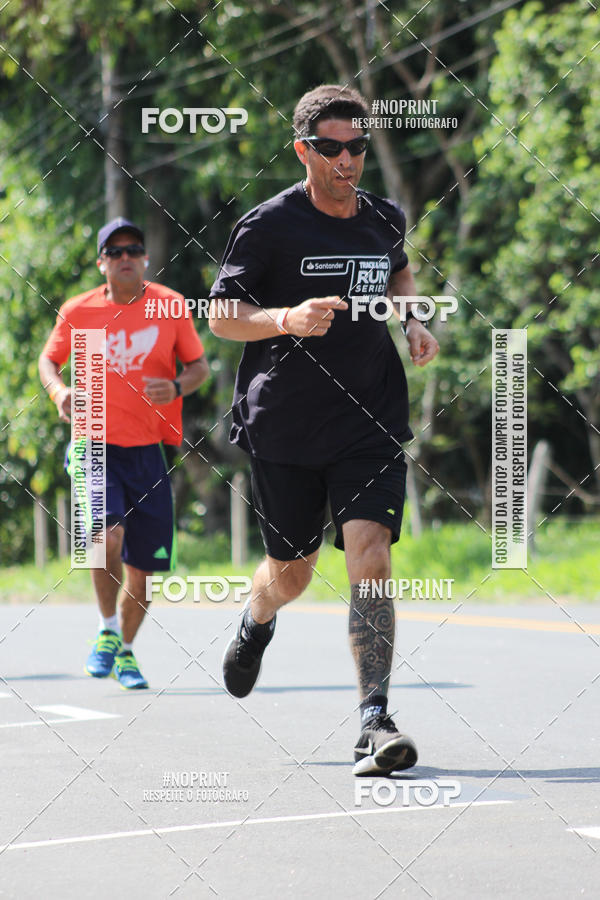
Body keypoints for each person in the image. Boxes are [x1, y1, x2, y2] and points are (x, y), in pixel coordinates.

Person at [208, 85, 439, 775]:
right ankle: (257, 616)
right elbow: (221, 317)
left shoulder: (383, 216)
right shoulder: (268, 225)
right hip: (285, 422)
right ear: (303, 149)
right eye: (333, 148)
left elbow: (398, 272)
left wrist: (413, 317)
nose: (348, 160)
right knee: (294, 574)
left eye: (358, 147)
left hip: (368, 416)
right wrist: (285, 318)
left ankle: (375, 718)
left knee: (370, 553)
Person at [39, 217, 209, 689]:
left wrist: (175, 385)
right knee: (104, 535)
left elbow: (198, 368)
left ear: (146, 258)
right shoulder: (80, 311)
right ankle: (107, 629)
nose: (127, 257)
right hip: (92, 439)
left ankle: (127, 652)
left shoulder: (171, 306)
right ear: (102, 263)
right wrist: (59, 393)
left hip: (148, 448)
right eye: (115, 252)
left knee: (144, 567)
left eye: (134, 249)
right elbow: (47, 361)